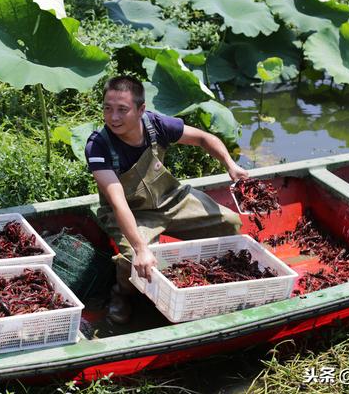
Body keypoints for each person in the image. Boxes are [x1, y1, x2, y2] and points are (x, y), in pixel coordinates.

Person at [84, 75, 249, 324]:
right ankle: (121, 294)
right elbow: (118, 202)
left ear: (141, 110)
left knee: (230, 223)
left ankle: (211, 277)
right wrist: (140, 249)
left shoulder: (156, 125)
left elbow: (204, 138)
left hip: (172, 199)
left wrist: (230, 165)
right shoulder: (98, 146)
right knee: (132, 259)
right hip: (133, 213)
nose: (113, 117)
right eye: (108, 108)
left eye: (122, 110)